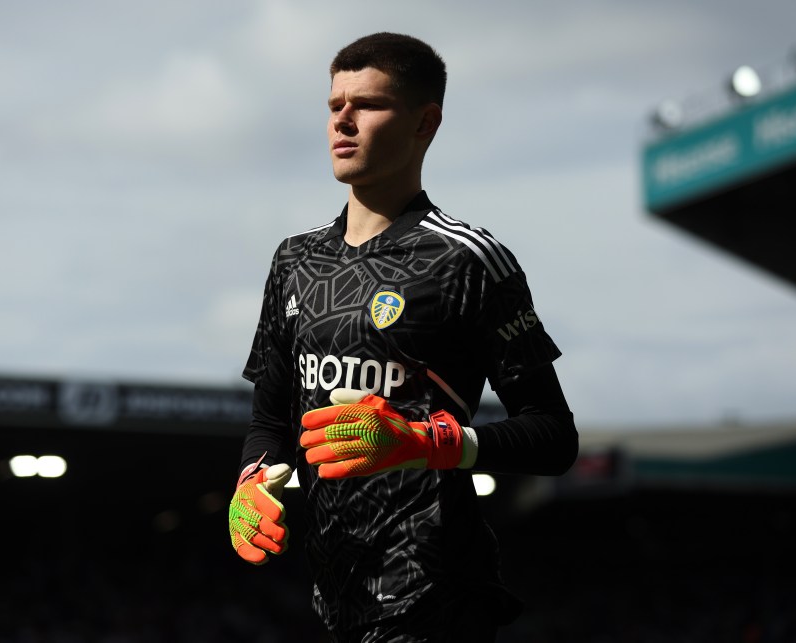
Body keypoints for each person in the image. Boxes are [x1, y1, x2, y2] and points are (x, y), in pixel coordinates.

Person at [228, 32, 578, 642]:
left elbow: (554, 436)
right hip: (335, 600)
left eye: (366, 104)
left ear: (426, 122)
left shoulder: (470, 260)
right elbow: (270, 421)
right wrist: (253, 483)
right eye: (334, 104)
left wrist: (426, 442)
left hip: (438, 597)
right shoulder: (295, 260)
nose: (343, 119)